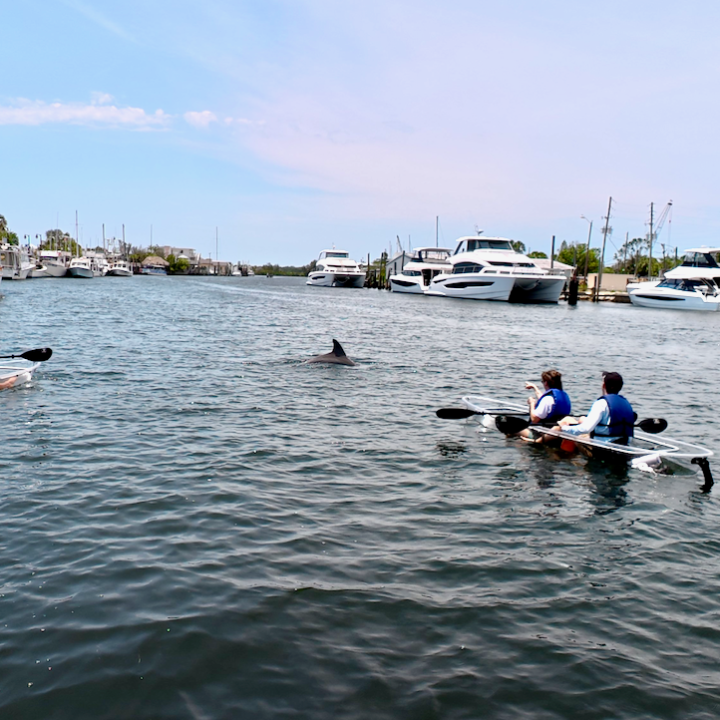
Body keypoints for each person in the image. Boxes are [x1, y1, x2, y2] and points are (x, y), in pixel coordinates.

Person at [557, 371, 635, 444]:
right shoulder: (626, 403)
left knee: (573, 433)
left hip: (602, 449)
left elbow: (586, 429)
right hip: (622, 444)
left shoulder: (601, 404)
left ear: (604, 385)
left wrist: (564, 428)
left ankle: (564, 456)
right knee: (582, 420)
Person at [517, 369, 572, 440]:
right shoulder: (563, 396)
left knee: (513, 428)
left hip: (543, 432)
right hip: (558, 432)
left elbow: (534, 419)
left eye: (542, 382)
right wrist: (535, 388)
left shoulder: (548, 399)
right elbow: (544, 400)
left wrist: (532, 404)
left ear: (546, 383)